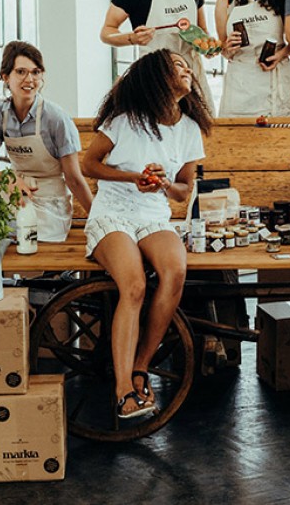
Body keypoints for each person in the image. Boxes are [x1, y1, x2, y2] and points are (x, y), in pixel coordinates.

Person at [80, 49, 211, 419]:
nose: (186, 69)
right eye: (177, 65)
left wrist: (165, 185)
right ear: (156, 76)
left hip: (154, 216)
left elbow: (185, 190)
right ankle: (123, 390)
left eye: (187, 65)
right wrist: (132, 178)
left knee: (176, 271)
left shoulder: (188, 129)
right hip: (114, 214)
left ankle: (140, 366)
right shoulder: (125, 121)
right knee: (134, 285)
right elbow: (89, 164)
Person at [0, 41, 94, 242]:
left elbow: (73, 178)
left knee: (31, 252)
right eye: (21, 72)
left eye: (36, 72)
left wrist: (98, 219)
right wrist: (9, 178)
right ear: (5, 77)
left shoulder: (56, 118)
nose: (29, 79)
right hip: (14, 198)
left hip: (51, 205)